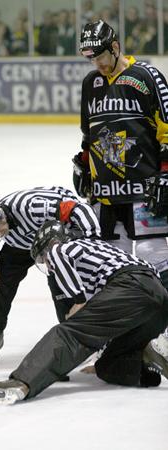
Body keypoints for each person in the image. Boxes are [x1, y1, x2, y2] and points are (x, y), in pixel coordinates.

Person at [0, 220, 168, 405]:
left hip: (131, 285)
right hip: (158, 296)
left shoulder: (62, 248)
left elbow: (57, 255)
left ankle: (21, 383)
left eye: (43, 258)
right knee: (107, 366)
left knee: (68, 333)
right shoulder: (97, 250)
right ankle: (147, 358)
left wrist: (78, 301)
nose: (47, 263)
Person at [74, 19, 168, 366]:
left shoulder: (146, 76)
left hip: (144, 189)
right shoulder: (91, 83)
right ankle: (118, 336)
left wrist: (166, 173)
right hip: (107, 194)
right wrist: (84, 166)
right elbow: (89, 133)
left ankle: (165, 332)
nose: (96, 63)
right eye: (90, 58)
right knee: (114, 265)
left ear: (115, 48)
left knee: (154, 256)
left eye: (100, 56)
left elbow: (167, 127)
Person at [0, 186, 101, 360]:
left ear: (0, 216)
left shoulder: (33, 208)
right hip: (23, 242)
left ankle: (77, 337)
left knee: (64, 285)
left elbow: (79, 209)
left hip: (57, 237)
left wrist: (92, 242)